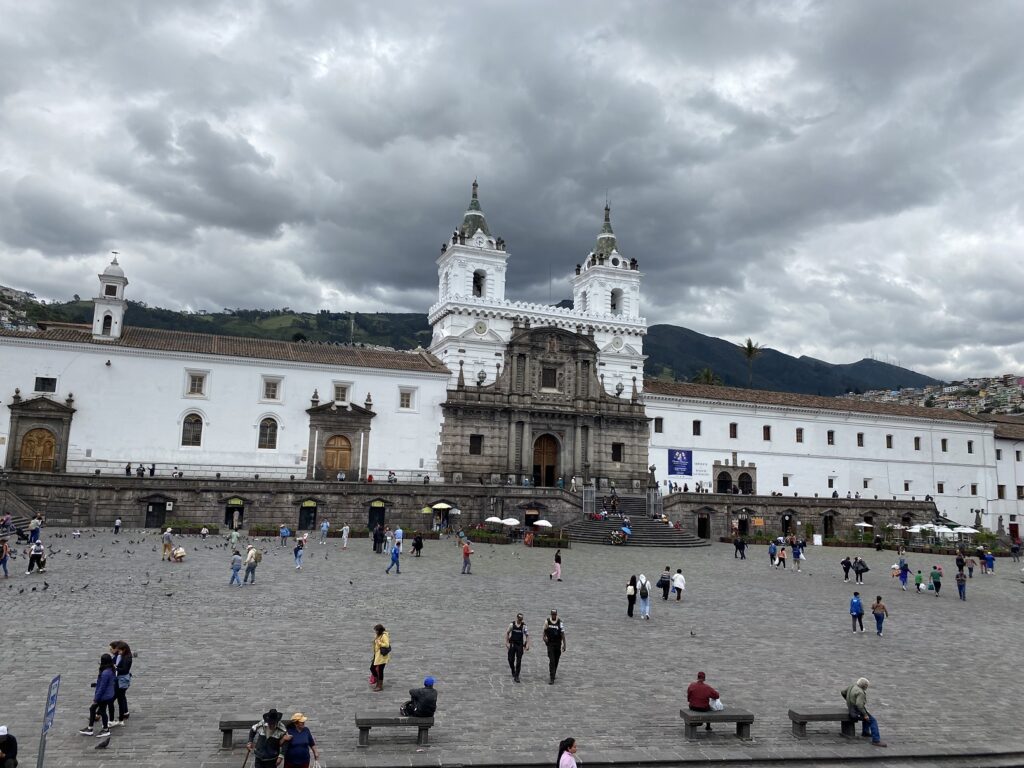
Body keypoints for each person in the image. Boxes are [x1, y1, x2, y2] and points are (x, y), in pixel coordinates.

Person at [79, 653, 116, 738]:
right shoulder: (111, 669)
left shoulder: (105, 673)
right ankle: (90, 728)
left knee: (101, 711)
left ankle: (104, 729)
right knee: (94, 709)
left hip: (103, 696)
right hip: (109, 694)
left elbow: (102, 687)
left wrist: (96, 698)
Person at [841, 677, 886, 746]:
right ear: (864, 686)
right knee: (872, 720)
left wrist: (847, 700)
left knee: (866, 715)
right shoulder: (860, 692)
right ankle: (876, 740)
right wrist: (865, 715)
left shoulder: (852, 686)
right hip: (855, 711)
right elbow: (859, 705)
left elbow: (843, 692)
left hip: (850, 707)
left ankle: (865, 732)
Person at [109, 640, 133, 725]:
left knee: (115, 699)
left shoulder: (127, 658)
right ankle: (123, 716)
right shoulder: (121, 655)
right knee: (121, 698)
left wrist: (115, 668)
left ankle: (118, 719)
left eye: (119, 650)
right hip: (119, 679)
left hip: (122, 680)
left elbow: (124, 670)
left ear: (124, 650)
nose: (118, 652)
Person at [543, 609, 566, 684]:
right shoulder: (547, 621)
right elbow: (544, 632)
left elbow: (562, 634)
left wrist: (564, 644)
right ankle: (552, 677)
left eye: (555, 614)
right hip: (550, 643)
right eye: (552, 614)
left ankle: (554, 672)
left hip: (557, 644)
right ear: (551, 614)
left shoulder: (560, 622)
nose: (554, 615)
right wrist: (544, 638)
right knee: (552, 660)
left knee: (556, 660)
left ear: (556, 614)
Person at [505, 613, 530, 682]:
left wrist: (527, 644)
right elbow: (507, 633)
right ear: (517, 618)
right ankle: (513, 669)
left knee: (519, 660)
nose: (520, 620)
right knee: (510, 659)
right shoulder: (512, 625)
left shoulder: (524, 626)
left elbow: (527, 635)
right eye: (519, 619)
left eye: (521, 619)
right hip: (512, 644)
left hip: (520, 645)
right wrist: (507, 643)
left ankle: (517, 676)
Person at [371, 624, 391, 691]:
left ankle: (380, 685)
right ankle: (377, 680)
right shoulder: (378, 635)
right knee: (372, 668)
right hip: (377, 655)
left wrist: (379, 643)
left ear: (379, 630)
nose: (375, 632)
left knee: (380, 670)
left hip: (382, 656)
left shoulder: (384, 635)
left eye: (376, 631)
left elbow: (387, 644)